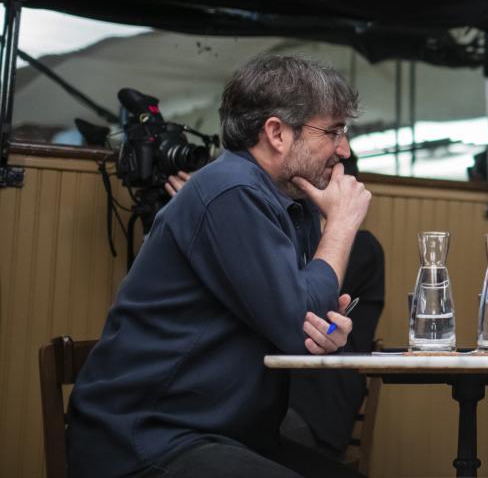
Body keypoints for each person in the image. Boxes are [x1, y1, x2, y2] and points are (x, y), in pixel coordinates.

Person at [68, 54, 371, 478]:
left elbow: (307, 324)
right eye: (334, 131)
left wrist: (330, 330)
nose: (345, 149)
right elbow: (294, 322)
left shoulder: (288, 205)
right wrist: (340, 224)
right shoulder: (230, 191)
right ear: (277, 133)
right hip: (146, 438)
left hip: (222, 435)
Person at [166, 152, 386, 463]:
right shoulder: (281, 232)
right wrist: (212, 216)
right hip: (264, 395)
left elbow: (304, 308)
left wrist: (339, 223)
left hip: (316, 402)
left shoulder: (361, 247)